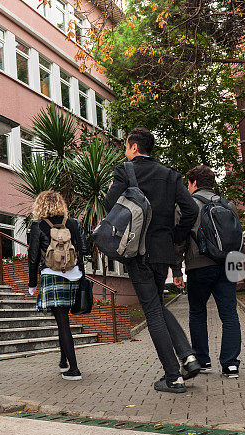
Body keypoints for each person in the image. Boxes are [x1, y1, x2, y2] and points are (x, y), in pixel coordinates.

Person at [104, 128, 201, 394]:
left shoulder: (125, 171)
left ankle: (173, 377)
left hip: (138, 252)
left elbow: (109, 207)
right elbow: (191, 210)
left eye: (126, 146)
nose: (126, 151)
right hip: (162, 252)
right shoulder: (171, 175)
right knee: (157, 304)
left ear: (134, 147)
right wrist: (174, 237)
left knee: (152, 312)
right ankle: (188, 357)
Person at [174, 165, 242, 378]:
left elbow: (179, 239)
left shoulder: (187, 205)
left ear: (193, 183)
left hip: (199, 265)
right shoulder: (228, 205)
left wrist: (176, 268)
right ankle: (231, 364)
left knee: (197, 312)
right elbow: (236, 237)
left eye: (188, 183)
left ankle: (202, 361)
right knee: (230, 314)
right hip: (226, 266)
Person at [27, 191, 89, 381]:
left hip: (52, 276)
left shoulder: (38, 225)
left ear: (40, 206)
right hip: (74, 276)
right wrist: (81, 275)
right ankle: (64, 361)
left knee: (63, 323)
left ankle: (74, 369)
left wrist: (32, 283)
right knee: (64, 323)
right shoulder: (74, 223)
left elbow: (33, 257)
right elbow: (84, 249)